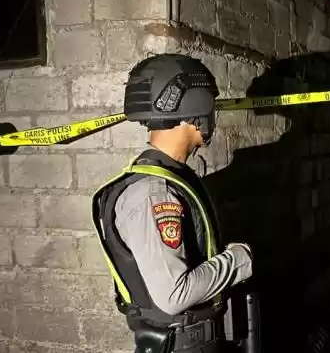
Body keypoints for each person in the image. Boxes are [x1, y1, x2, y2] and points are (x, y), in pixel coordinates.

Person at [91, 53, 253, 353]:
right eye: (211, 104)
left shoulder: (170, 179)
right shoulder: (154, 193)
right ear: (196, 106)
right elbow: (175, 295)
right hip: (183, 345)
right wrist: (239, 259)